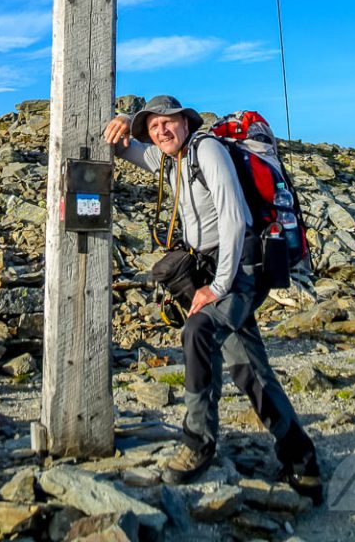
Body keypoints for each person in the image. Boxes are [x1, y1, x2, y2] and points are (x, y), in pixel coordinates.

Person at [105, 94, 321, 499]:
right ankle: (302, 460)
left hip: (239, 267)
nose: (161, 131)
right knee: (247, 367)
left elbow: (235, 218)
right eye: (153, 127)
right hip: (215, 267)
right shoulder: (170, 159)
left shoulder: (208, 151)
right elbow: (128, 150)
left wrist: (218, 287)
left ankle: (197, 442)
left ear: (186, 122)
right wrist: (119, 120)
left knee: (199, 331)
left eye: (168, 122)